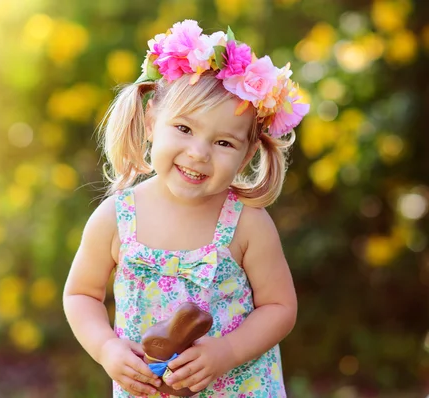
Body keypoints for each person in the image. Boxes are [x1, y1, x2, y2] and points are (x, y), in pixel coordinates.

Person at [63, 19, 310, 397]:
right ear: (150, 123)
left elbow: (279, 307)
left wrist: (227, 351)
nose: (198, 153)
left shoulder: (247, 224)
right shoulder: (116, 218)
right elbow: (81, 295)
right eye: (184, 129)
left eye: (224, 143)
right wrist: (106, 348)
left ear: (246, 156)